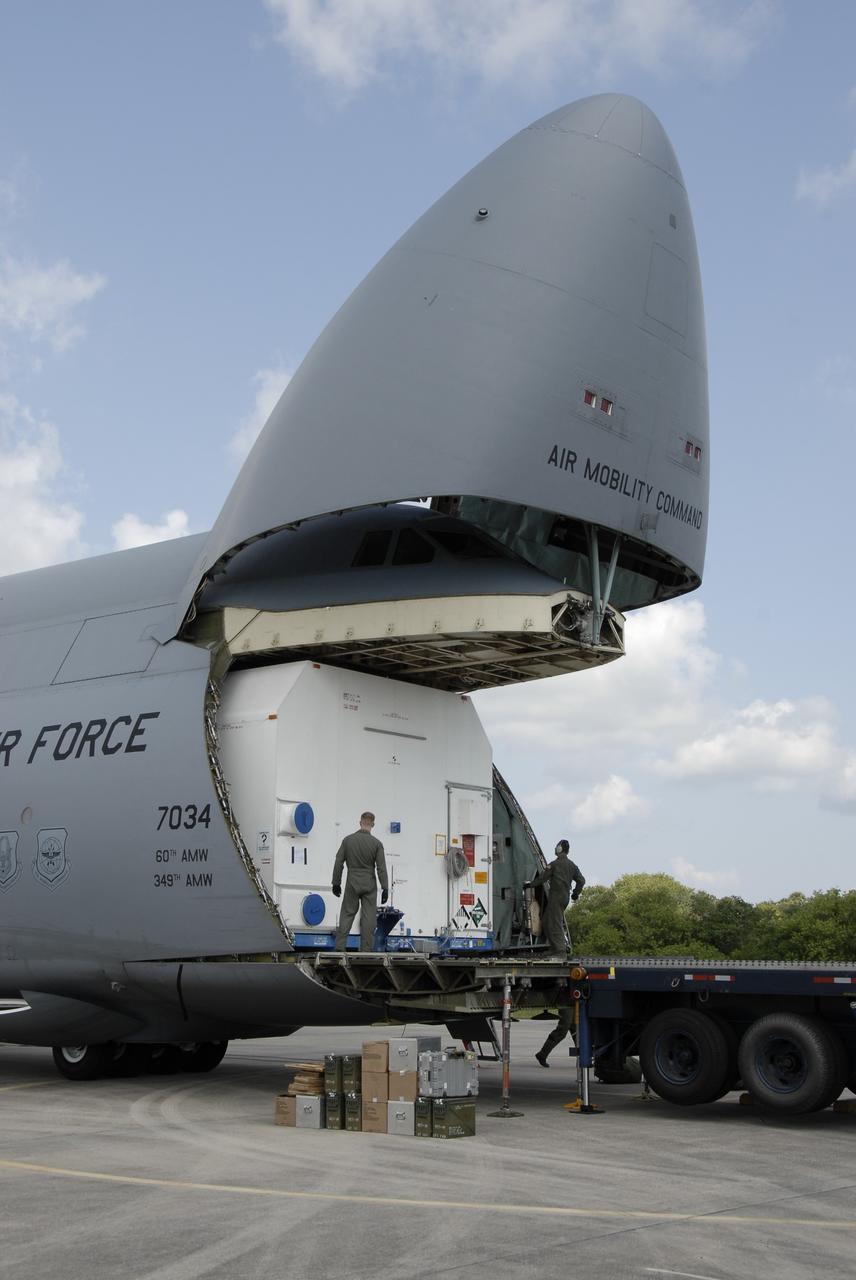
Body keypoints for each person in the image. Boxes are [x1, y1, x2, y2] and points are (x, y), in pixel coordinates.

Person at [332, 811, 389, 951]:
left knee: (347, 913)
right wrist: (385, 887)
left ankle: (340, 947)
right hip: (369, 883)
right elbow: (381, 868)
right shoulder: (377, 844)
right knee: (369, 918)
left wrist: (336, 883)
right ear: (373, 824)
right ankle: (366, 950)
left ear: (360, 822)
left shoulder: (348, 840)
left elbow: (338, 862)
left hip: (352, 882)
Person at [527, 838, 584, 957]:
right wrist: (575, 893)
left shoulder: (554, 864)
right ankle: (554, 948)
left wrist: (530, 885)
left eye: (557, 846)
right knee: (546, 920)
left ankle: (560, 950)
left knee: (555, 922)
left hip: (556, 896)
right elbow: (581, 880)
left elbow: (542, 878)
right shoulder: (572, 865)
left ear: (559, 849)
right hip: (565, 897)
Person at [535, 981, 574, 1068]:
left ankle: (583, 1057)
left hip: (575, 997)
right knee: (563, 1028)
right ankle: (543, 1054)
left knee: (577, 1029)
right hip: (567, 997)